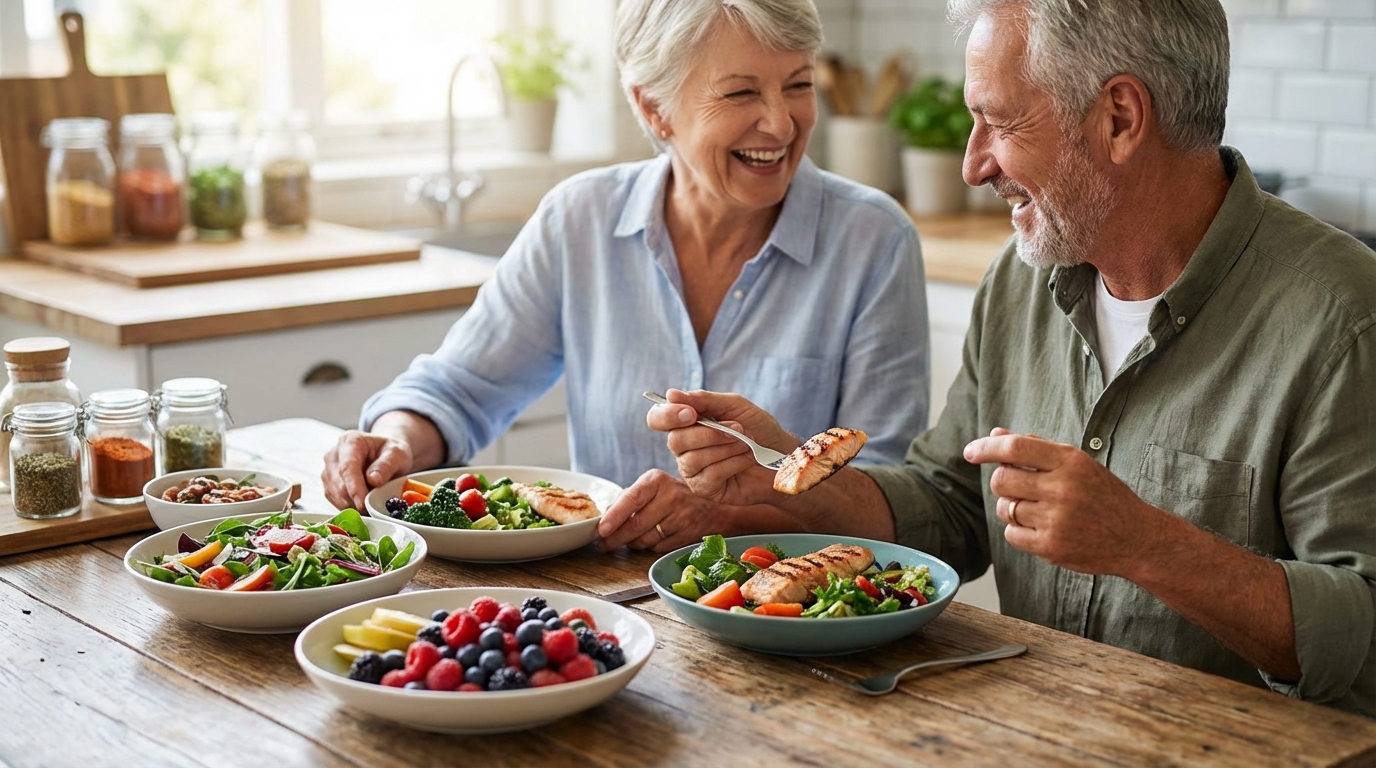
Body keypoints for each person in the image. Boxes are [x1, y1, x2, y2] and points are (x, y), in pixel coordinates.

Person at [647, 0, 1376, 715]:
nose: (972, 164)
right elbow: (951, 506)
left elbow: (1363, 632)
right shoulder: (1019, 280)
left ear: (1120, 118)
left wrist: (1148, 545)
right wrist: (780, 474)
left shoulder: (1341, 317)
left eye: (999, 120)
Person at [321, 0, 930, 552]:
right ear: (653, 106)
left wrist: (727, 520)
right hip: (602, 603)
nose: (780, 123)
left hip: (789, 615)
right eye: (741, 94)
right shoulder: (579, 219)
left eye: (798, 85)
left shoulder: (873, 240)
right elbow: (458, 389)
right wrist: (396, 442)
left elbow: (885, 497)